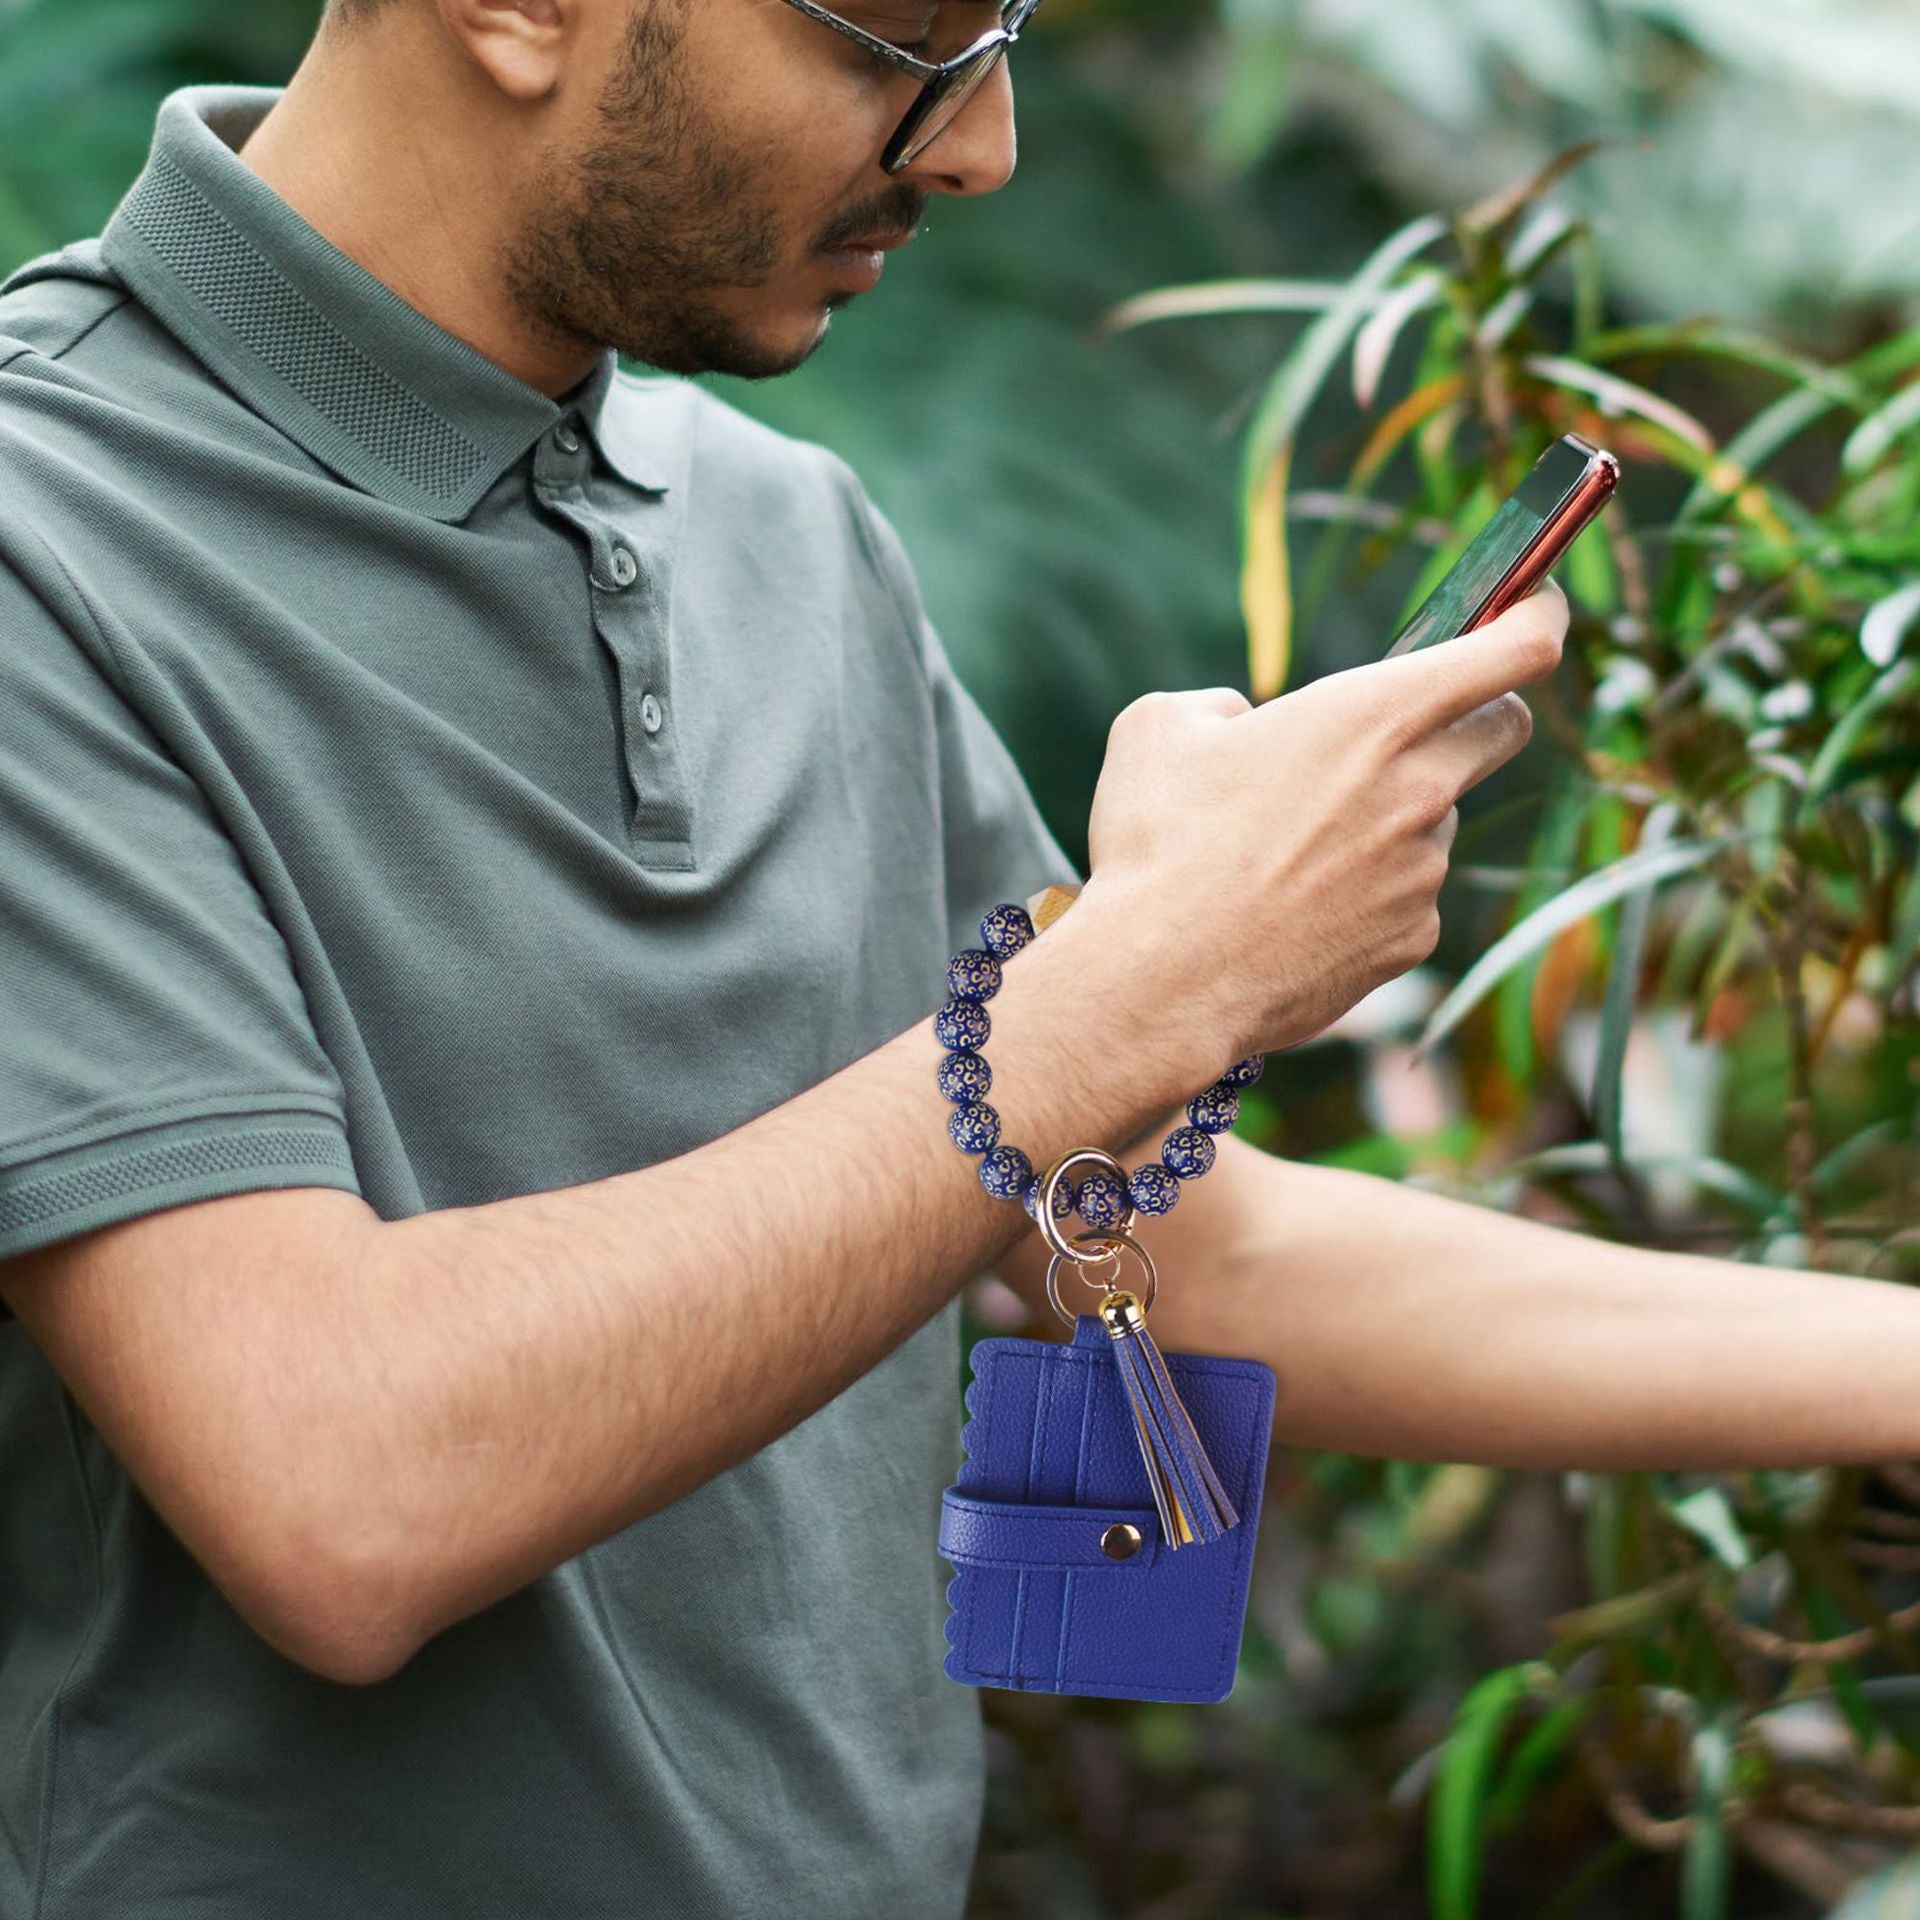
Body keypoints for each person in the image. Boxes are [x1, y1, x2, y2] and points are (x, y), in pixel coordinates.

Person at [0, 3, 1914, 1916]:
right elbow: (341, 1488)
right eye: (900, 31)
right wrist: (1130, 995)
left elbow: (1170, 1237)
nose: (979, 144)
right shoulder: (48, 544)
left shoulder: (776, 527)